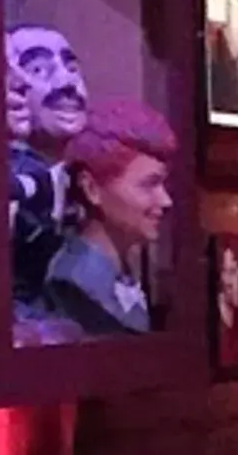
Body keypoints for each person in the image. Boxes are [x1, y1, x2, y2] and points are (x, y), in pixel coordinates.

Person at [41, 102, 175, 336]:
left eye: (162, 184)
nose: (166, 200)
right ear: (92, 189)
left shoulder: (122, 273)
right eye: (149, 184)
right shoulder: (73, 281)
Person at [2, 23, 87, 316]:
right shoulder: (11, 184)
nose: (66, 82)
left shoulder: (90, 180)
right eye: (38, 69)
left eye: (72, 68)